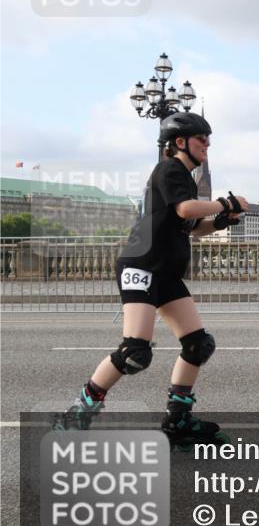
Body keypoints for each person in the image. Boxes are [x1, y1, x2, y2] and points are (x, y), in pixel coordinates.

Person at [55, 112, 248, 449]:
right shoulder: (170, 169)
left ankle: (179, 418)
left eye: (208, 139)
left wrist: (220, 222)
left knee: (198, 345)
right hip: (142, 266)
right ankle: (78, 411)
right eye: (202, 138)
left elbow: (190, 226)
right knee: (135, 351)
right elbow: (186, 210)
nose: (207, 144)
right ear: (179, 142)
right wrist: (226, 202)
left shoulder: (185, 178)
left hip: (167, 273)